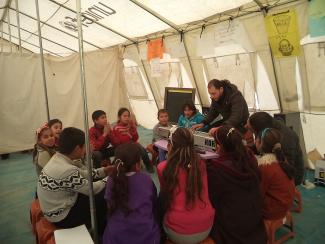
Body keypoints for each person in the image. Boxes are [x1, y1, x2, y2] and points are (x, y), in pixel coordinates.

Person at [37, 127, 115, 234]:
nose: (85, 149)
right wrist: (111, 178)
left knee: (100, 186)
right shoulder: (66, 170)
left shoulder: (58, 158)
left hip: (53, 209)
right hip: (62, 217)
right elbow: (92, 189)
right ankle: (100, 231)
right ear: (77, 148)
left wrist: (104, 171)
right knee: (103, 195)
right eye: (84, 147)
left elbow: (82, 174)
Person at [207, 125, 267, 244]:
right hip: (254, 220)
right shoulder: (250, 158)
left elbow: (212, 199)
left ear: (219, 146)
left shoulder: (216, 169)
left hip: (233, 227)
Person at [157, 127, 215, 244]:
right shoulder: (201, 164)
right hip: (206, 227)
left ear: (169, 146)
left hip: (177, 233)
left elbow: (165, 196)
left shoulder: (163, 168)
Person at [103, 142, 160, 244]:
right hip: (146, 238)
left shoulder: (111, 180)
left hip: (114, 238)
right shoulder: (146, 179)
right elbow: (154, 204)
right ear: (137, 164)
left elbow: (109, 206)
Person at [247, 112, 304, 185]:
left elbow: (288, 170)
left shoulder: (286, 138)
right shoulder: (268, 129)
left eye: (251, 130)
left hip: (291, 175)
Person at [255, 128, 295, 220]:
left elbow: (259, 193)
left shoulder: (265, 167)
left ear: (260, 143)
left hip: (273, 211)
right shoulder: (282, 160)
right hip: (285, 205)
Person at [112, 108, 153, 173]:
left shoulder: (130, 126)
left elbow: (135, 138)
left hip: (132, 144)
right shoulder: (116, 128)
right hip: (122, 146)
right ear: (119, 117)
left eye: (128, 116)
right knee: (127, 153)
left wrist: (133, 129)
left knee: (143, 150)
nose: (127, 118)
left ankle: (148, 165)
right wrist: (129, 132)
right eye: (124, 116)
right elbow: (122, 141)